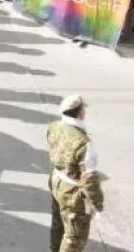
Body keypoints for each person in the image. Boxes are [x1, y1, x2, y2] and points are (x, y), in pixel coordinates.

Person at [47, 94, 103, 252]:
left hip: (55, 180)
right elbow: (90, 179)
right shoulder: (84, 143)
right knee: (74, 237)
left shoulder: (54, 126)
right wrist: (97, 203)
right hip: (71, 191)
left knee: (58, 224)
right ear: (80, 113)